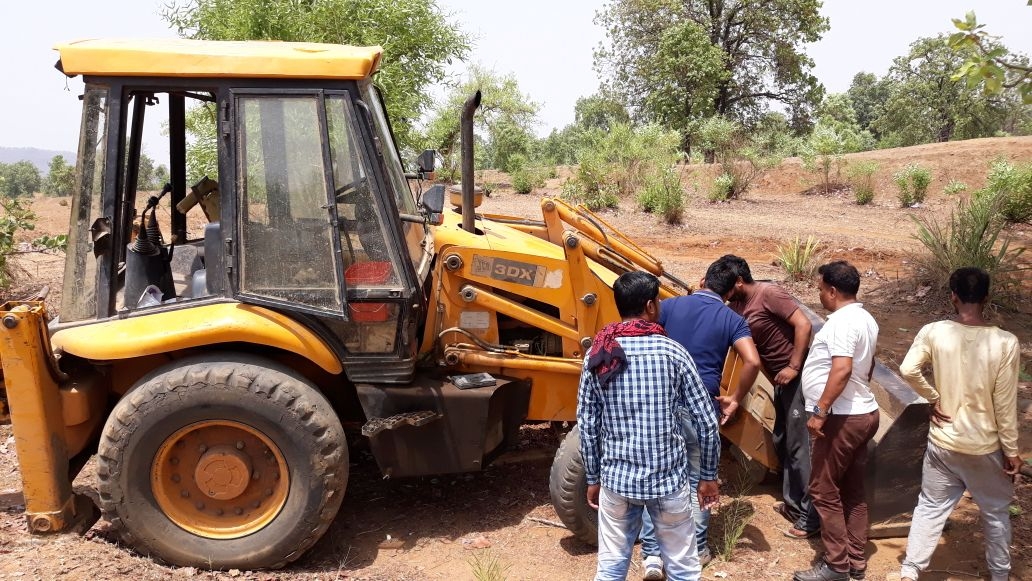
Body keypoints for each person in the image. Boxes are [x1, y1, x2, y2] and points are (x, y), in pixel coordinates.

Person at [578, 271, 721, 581]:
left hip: (617, 482)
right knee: (683, 569)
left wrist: (592, 476)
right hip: (668, 483)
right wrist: (708, 476)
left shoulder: (598, 354)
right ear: (651, 305)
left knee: (611, 568)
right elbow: (707, 422)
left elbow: (588, 422)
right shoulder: (674, 353)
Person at [896, 267, 1022, 581]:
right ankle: (1000, 575)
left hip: (943, 442)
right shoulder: (1005, 342)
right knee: (995, 514)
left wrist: (933, 397)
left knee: (930, 506)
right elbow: (1005, 405)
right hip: (984, 447)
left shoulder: (934, 331)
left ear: (953, 296)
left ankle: (910, 570)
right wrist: (1012, 452)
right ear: (986, 298)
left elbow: (908, 369)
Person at [638, 259, 761, 579]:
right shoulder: (732, 318)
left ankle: (652, 555)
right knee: (699, 481)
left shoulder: (668, 306)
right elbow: (752, 361)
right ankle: (694, 549)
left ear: (703, 279)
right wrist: (734, 398)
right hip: (701, 407)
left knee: (658, 477)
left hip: (660, 404)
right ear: (731, 289)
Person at [721, 254, 820, 539]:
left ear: (740, 281)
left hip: (797, 376)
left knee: (800, 445)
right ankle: (792, 503)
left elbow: (803, 325)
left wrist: (793, 366)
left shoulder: (769, 294)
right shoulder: (737, 304)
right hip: (779, 379)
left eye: (728, 285)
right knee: (784, 439)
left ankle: (809, 516)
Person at [793, 261, 880, 581]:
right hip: (863, 412)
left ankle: (836, 566)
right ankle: (855, 560)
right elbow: (867, 366)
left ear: (832, 290)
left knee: (823, 489)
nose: (819, 296)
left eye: (820, 290)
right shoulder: (865, 318)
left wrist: (822, 410)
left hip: (842, 417)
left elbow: (842, 369)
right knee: (852, 488)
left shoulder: (843, 323)